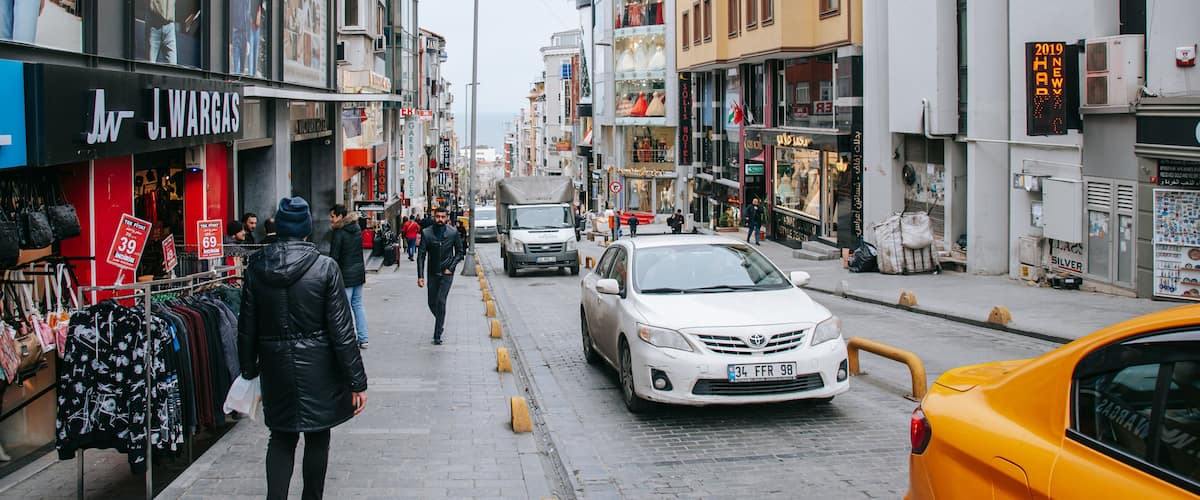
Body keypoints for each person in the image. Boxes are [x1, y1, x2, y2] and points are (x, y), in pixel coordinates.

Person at [238, 196, 368, 500]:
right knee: (318, 436)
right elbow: (342, 330)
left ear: (278, 229)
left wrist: (248, 368)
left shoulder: (256, 268)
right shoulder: (325, 268)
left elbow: (247, 326)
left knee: (281, 438)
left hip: (276, 368)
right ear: (308, 229)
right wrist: (357, 381)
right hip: (319, 369)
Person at [416, 207, 464, 346]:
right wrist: (420, 276)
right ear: (434, 217)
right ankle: (440, 321)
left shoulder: (453, 232)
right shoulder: (426, 233)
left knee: (441, 301)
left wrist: (451, 267)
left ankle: (437, 335)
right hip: (432, 272)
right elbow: (421, 256)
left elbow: (460, 252)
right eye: (438, 217)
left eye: (443, 217)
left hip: (446, 273)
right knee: (432, 302)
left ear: (447, 218)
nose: (440, 220)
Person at [329, 204, 369, 349]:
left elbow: (334, 256)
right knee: (357, 305)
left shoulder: (339, 232)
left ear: (340, 216)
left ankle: (348, 338)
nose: (331, 220)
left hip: (345, 275)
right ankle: (363, 338)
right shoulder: (356, 228)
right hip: (358, 273)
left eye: (333, 216)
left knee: (344, 308)